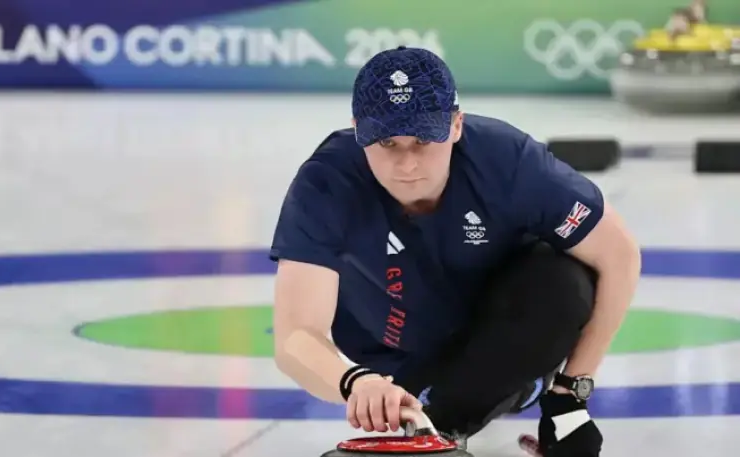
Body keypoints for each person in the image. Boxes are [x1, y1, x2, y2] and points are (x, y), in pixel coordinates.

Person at [268, 46, 641, 457]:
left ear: (457, 125)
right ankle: (427, 412)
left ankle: (446, 419)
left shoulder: (508, 162)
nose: (407, 164)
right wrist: (356, 382)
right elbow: (296, 334)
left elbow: (617, 255)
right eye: (386, 141)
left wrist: (570, 396)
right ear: (357, 130)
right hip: (397, 367)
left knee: (565, 279)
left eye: (425, 138)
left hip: (509, 337)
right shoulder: (327, 183)